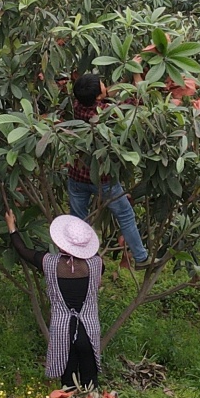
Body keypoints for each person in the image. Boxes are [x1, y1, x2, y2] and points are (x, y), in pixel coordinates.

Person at [4, 208, 103, 389]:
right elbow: (92, 254)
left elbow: (22, 250)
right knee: (91, 381)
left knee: (68, 383)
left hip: (62, 331)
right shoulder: (96, 264)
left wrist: (12, 227)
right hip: (88, 331)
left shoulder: (49, 262)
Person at [64, 73, 150, 267]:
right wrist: (136, 74)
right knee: (126, 216)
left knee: (79, 220)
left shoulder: (78, 106)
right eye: (102, 84)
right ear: (98, 97)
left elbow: (107, 94)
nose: (105, 85)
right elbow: (139, 102)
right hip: (103, 177)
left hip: (77, 175)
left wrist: (123, 75)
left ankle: (77, 259)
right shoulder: (107, 112)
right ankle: (141, 257)